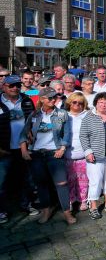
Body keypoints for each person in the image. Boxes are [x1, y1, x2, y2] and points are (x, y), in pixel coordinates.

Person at [20, 87, 74, 225]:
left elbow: (67, 134)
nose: (53, 100)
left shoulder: (62, 114)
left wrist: (62, 148)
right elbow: (24, 133)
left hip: (54, 153)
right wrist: (24, 150)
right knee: (41, 184)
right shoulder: (35, 115)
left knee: (62, 183)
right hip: (37, 154)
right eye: (50, 98)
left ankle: (67, 212)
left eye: (55, 97)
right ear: (42, 99)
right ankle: (46, 210)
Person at [0, 76, 38, 223]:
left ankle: (26, 204)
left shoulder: (27, 100)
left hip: (24, 148)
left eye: (17, 85)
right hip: (4, 149)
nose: (15, 88)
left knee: (26, 179)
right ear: (4, 86)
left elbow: (34, 120)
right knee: (1, 182)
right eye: (11, 86)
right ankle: (1, 210)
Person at [80, 93, 106, 220]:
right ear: (96, 103)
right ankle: (93, 206)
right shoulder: (89, 116)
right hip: (96, 154)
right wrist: (88, 151)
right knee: (96, 181)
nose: (104, 105)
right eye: (101, 102)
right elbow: (83, 135)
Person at [64, 93, 90, 212]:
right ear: (69, 103)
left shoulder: (87, 116)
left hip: (83, 153)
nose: (77, 105)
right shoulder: (63, 116)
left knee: (83, 179)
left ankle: (82, 200)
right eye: (74, 102)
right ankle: (70, 200)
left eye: (80, 103)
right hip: (67, 153)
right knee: (69, 179)